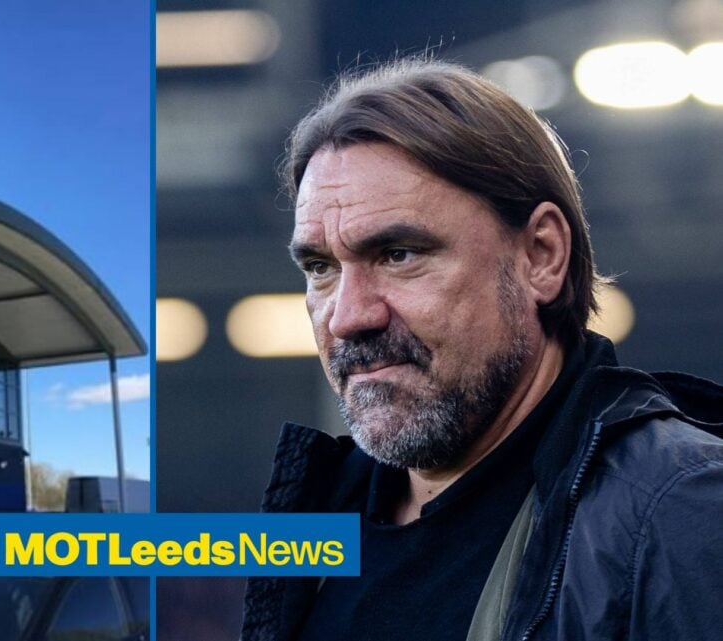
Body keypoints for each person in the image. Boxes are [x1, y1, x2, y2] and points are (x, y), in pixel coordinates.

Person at [241, 58, 723, 641]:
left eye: (399, 254)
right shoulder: (316, 523)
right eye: (320, 268)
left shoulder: (682, 514)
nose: (347, 317)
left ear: (541, 256)